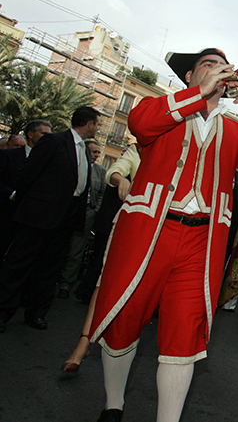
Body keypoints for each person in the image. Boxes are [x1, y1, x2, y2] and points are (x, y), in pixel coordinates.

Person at [88, 47, 238, 422]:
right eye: (209, 65)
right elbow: (141, 126)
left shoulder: (234, 128)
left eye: (223, 68)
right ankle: (113, 404)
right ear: (190, 75)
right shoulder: (163, 108)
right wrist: (199, 93)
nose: (217, 72)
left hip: (200, 243)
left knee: (184, 334)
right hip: (150, 234)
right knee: (125, 319)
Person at [0, 108, 99, 333]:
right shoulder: (54, 141)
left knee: (50, 269)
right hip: (39, 215)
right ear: (89, 123)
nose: (98, 128)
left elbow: (81, 186)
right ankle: (3, 312)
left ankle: (36, 314)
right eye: (97, 123)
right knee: (19, 264)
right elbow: (28, 174)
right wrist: (28, 205)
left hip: (65, 218)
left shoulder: (84, 150)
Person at [62, 144, 141, 374]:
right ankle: (83, 343)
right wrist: (121, 179)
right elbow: (115, 170)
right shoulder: (139, 149)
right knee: (105, 280)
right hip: (130, 224)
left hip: (166, 231)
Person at [58, 140, 107, 299]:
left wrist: (95, 209)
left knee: (77, 250)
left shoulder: (100, 171)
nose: (96, 155)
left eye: (98, 153)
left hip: (87, 212)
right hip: (67, 209)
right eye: (94, 152)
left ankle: (66, 284)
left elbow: (102, 193)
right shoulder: (74, 165)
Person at [0, 120, 52, 255]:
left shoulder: (49, 161)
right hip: (5, 212)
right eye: (43, 133)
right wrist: (12, 194)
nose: (48, 137)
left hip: (30, 218)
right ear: (30, 134)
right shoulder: (8, 155)